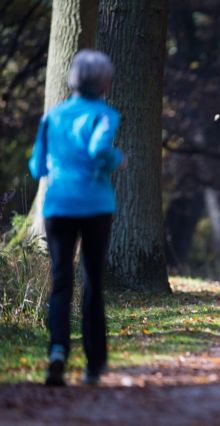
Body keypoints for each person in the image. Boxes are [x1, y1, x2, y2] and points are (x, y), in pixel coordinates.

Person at [29, 49, 126, 386]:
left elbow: (36, 167)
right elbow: (99, 149)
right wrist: (115, 159)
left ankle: (57, 350)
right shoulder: (104, 115)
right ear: (103, 83)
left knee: (61, 282)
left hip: (57, 206)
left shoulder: (52, 117)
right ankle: (93, 364)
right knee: (93, 283)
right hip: (95, 206)